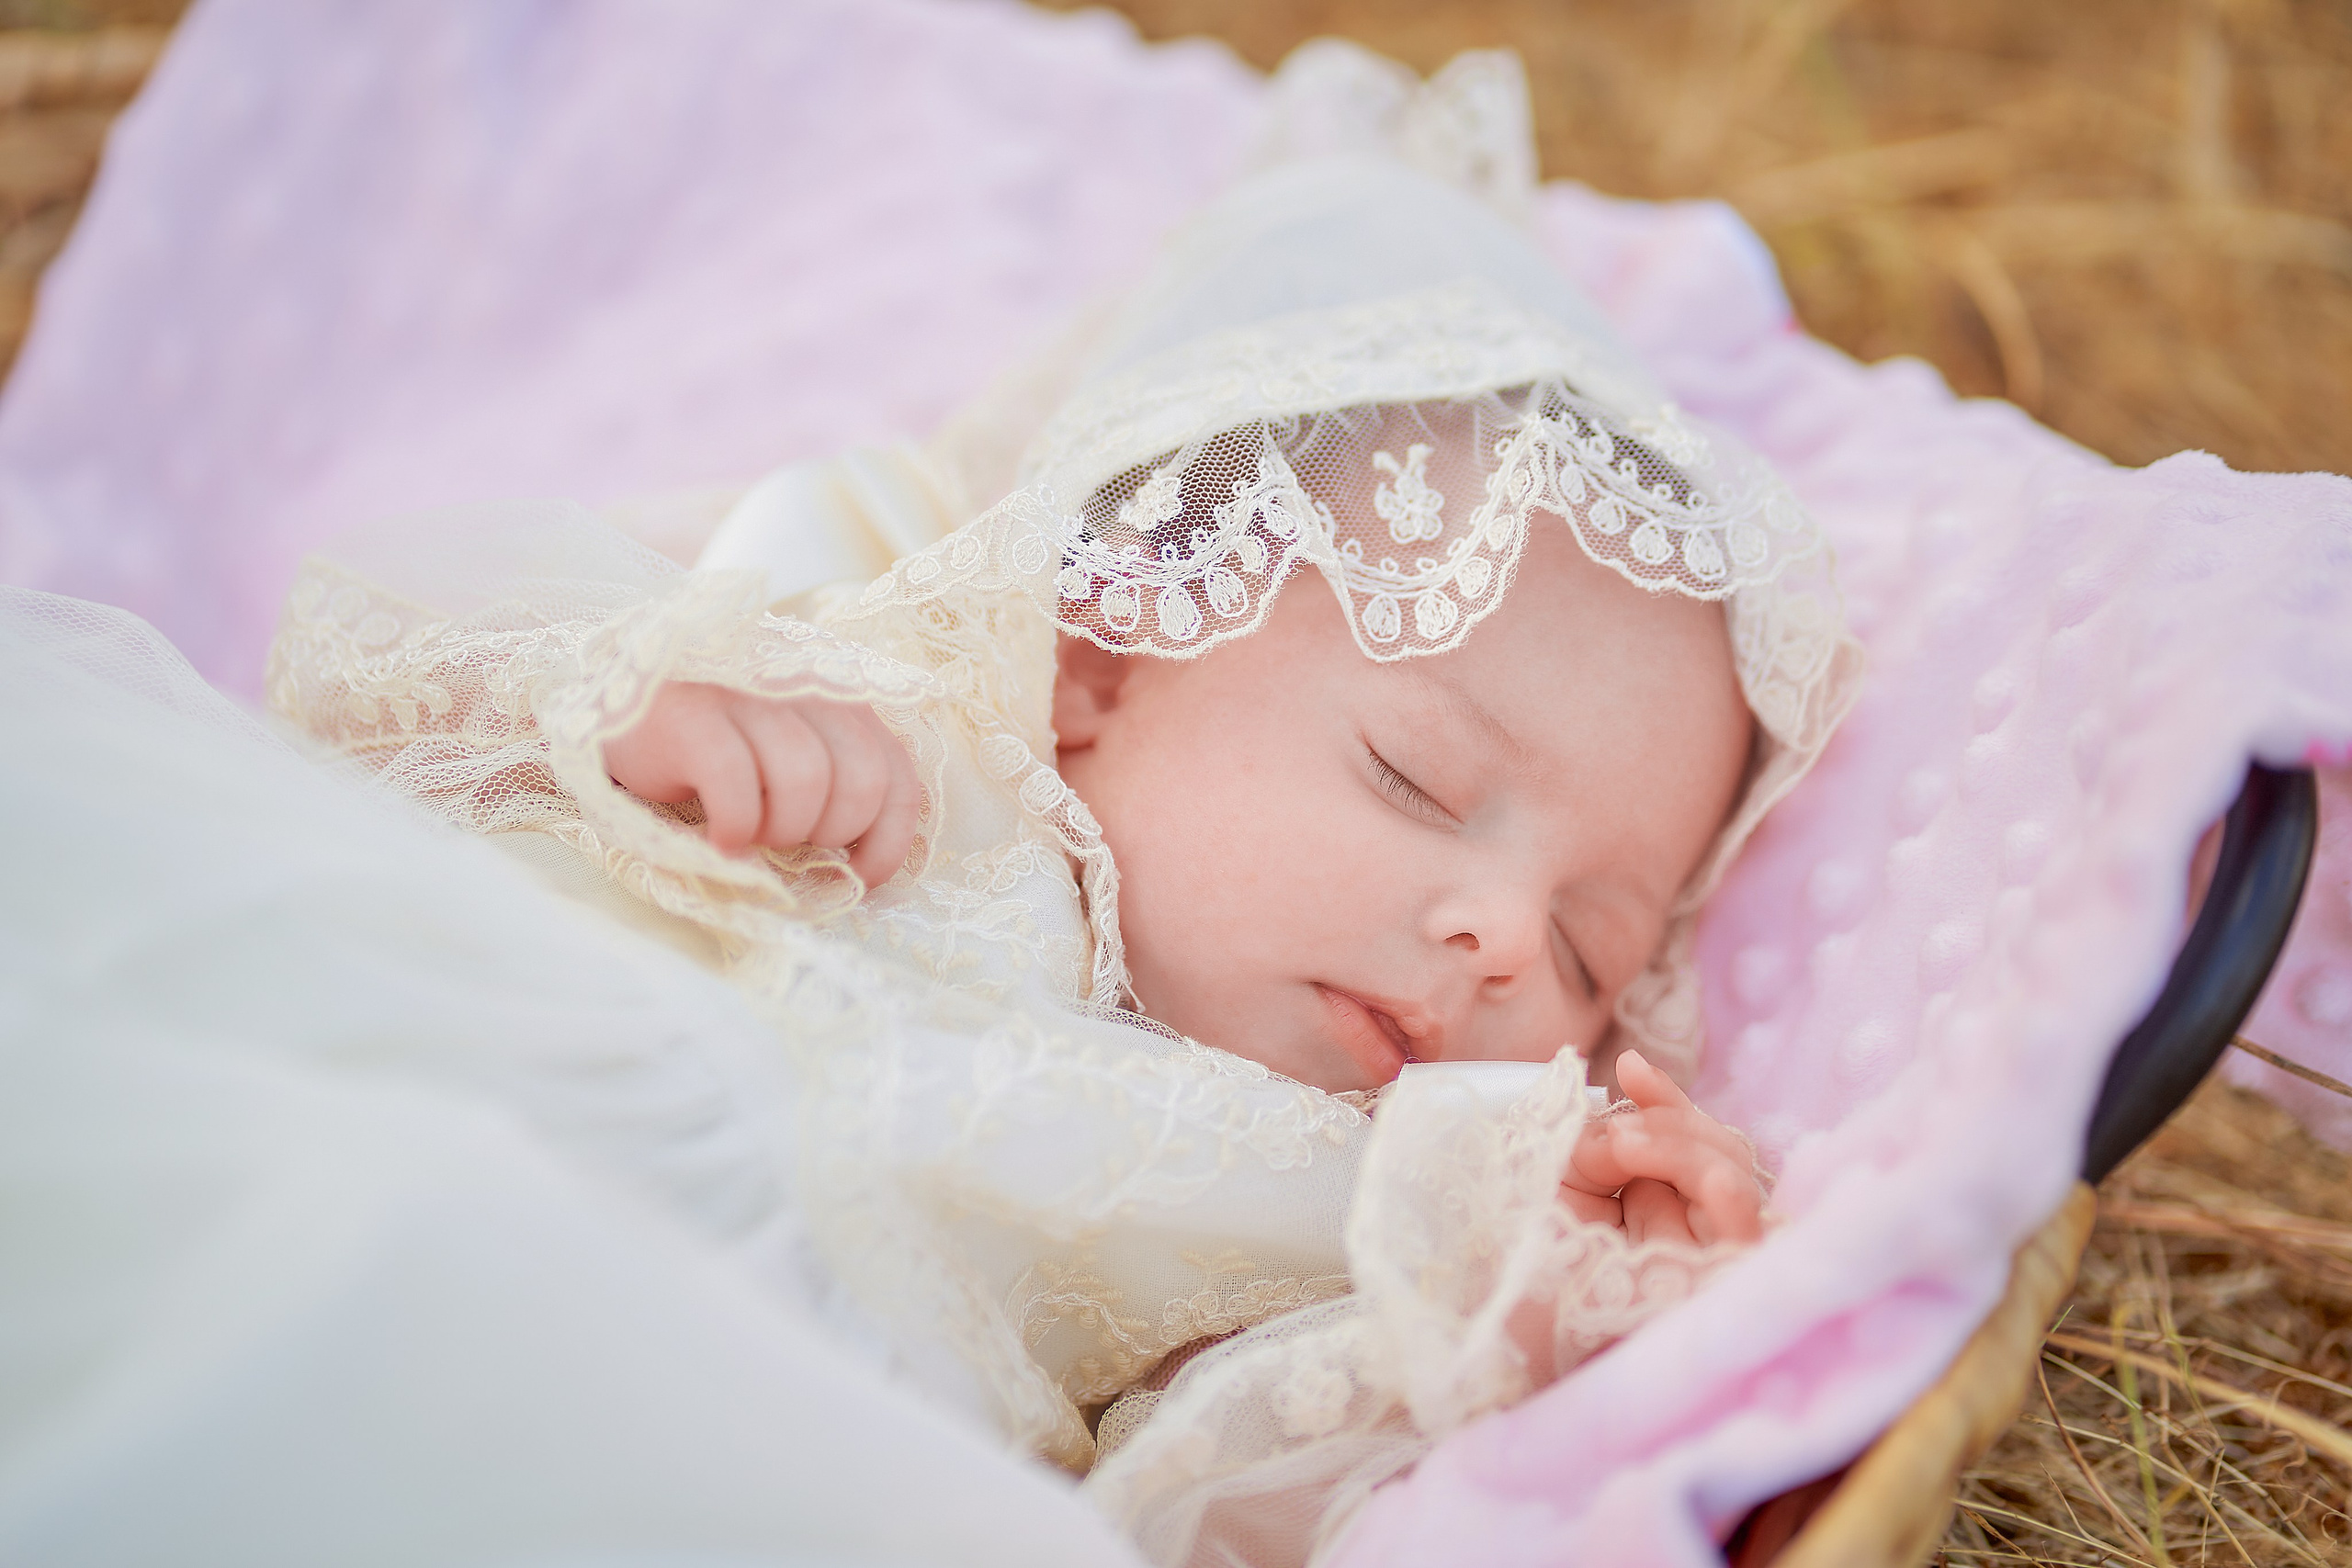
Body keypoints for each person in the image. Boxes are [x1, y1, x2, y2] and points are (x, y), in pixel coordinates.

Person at [263, 40, 1857, 1566]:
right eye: (1414, 777)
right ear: (1102, 661)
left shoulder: (1353, 1216)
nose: (1505, 937)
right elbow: (368, 679)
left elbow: (1204, 1506)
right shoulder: (884, 681)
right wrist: (645, 711)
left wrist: (1553, 1312)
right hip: (404, 1130)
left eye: (1589, 951)